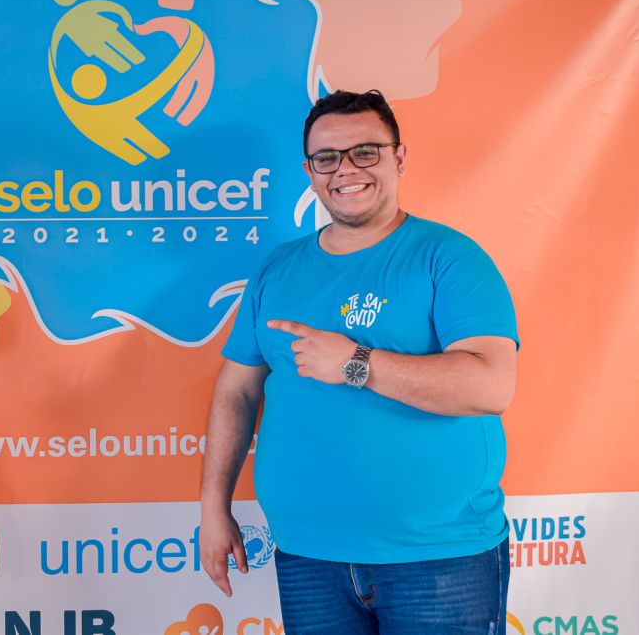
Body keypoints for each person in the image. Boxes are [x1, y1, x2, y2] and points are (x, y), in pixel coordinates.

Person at [199, 89, 519, 634]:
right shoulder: (277, 268)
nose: (346, 169)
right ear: (310, 172)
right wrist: (213, 506)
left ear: (399, 158)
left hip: (439, 557)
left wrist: (357, 363)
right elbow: (237, 390)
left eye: (365, 151)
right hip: (308, 555)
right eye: (327, 157)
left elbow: (491, 385)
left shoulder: (450, 258)